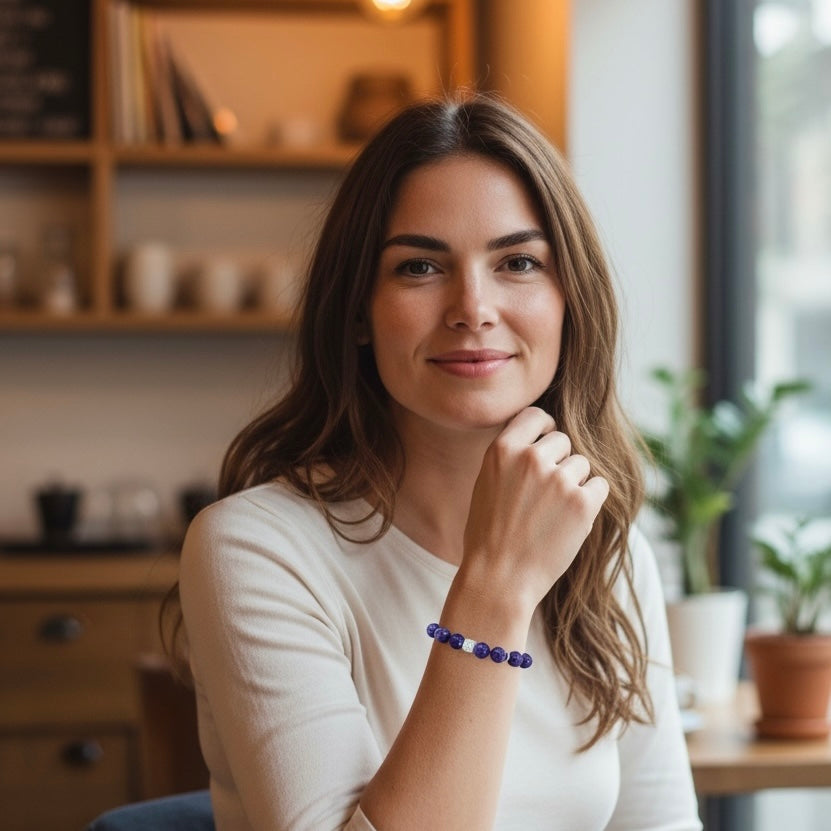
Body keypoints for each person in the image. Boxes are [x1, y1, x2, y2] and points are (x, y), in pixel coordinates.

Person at [171, 93, 702, 831]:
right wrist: (498, 587)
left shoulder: (607, 547)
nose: (472, 307)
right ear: (358, 310)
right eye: (419, 266)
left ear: (569, 300)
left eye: (518, 262)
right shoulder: (256, 549)